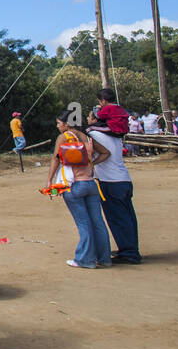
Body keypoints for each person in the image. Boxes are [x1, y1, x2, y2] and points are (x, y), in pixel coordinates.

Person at [46, 117, 111, 269]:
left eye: (59, 123)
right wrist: (91, 164)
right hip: (90, 183)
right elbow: (105, 153)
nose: (58, 126)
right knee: (98, 222)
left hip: (74, 185)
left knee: (83, 223)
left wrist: (49, 181)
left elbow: (56, 159)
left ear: (67, 124)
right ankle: (104, 258)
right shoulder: (88, 138)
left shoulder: (64, 137)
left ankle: (85, 259)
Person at [87, 114, 141, 264]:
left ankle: (129, 254)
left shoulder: (92, 134)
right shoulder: (115, 135)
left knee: (117, 219)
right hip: (123, 179)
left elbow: (96, 152)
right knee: (128, 218)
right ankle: (130, 249)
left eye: (89, 116)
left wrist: (92, 164)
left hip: (109, 181)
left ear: (95, 120)